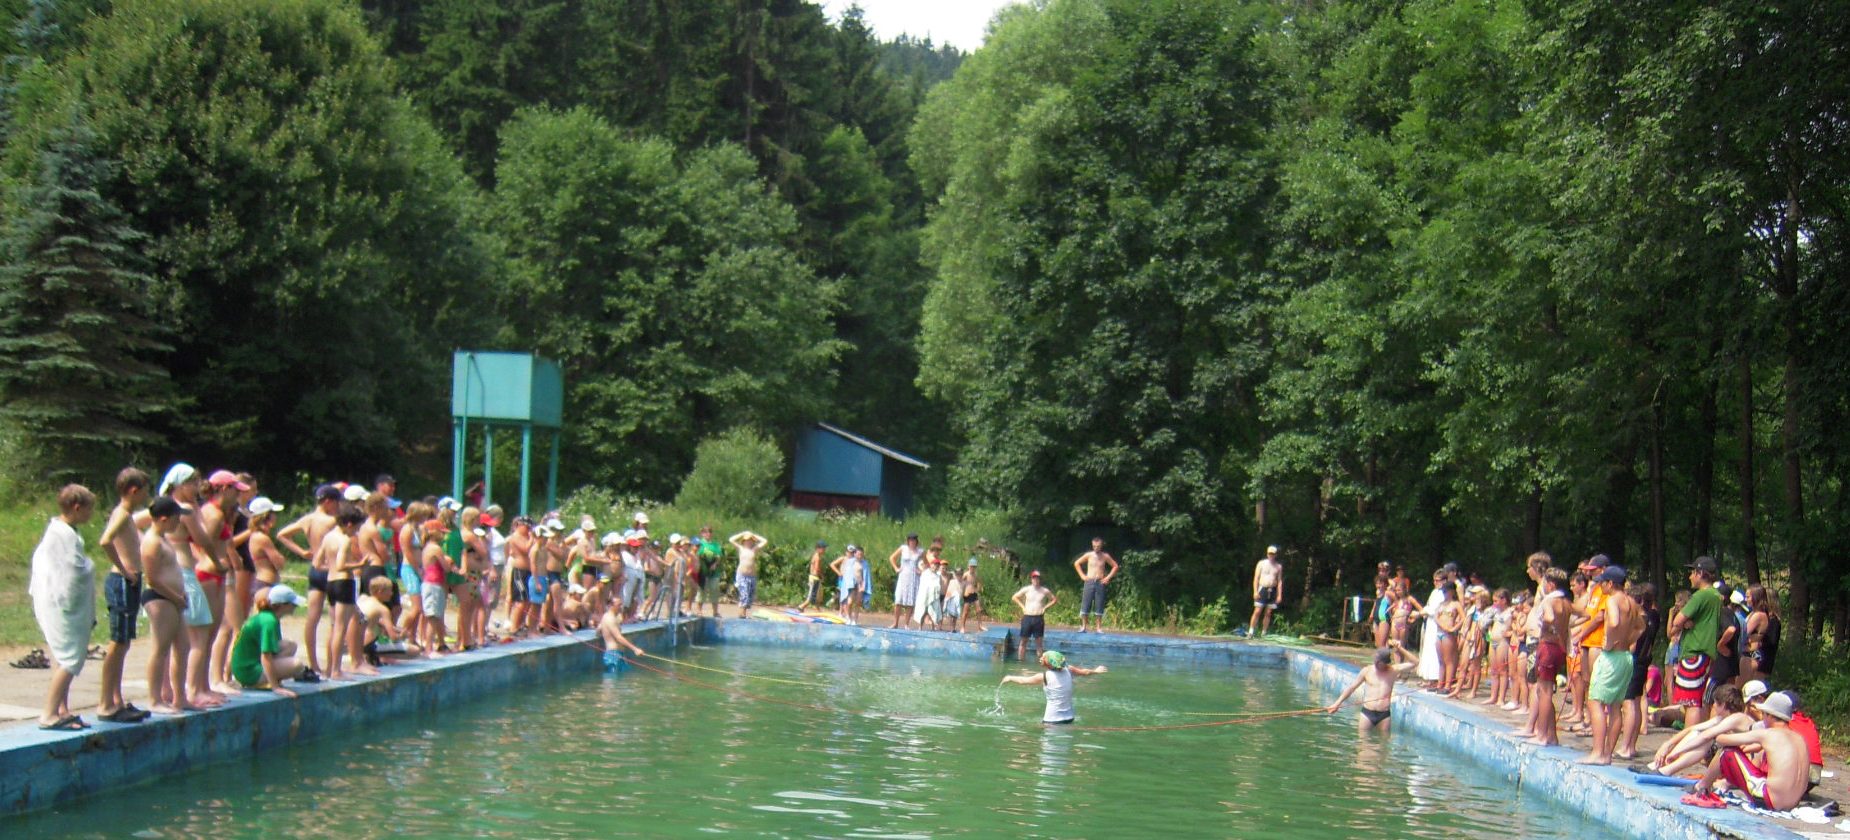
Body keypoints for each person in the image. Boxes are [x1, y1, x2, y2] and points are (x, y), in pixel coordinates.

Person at [29, 484, 98, 730]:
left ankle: (62, 709)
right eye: (89, 508)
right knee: (70, 658)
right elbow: (73, 572)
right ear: (77, 508)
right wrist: (90, 566)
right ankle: (48, 715)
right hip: (60, 606)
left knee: (63, 658)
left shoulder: (64, 531)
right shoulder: (62, 535)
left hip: (59, 602)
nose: (92, 513)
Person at [97, 468, 152, 723]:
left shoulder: (128, 515)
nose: (146, 497)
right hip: (121, 581)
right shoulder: (121, 514)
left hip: (129, 581)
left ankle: (116, 700)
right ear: (133, 490)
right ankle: (105, 704)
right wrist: (123, 569)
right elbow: (105, 541)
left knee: (125, 643)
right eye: (144, 491)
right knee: (118, 642)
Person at [1692, 692, 1810, 811]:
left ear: (1770, 715)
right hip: (1792, 804)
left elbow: (1721, 739)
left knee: (1726, 751)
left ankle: (1702, 787)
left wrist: (1727, 731)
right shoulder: (1800, 739)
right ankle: (1714, 784)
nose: (1762, 719)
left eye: (1763, 714)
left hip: (1770, 801)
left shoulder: (1768, 734)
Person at [275, 483, 341, 677]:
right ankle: (331, 666)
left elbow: (281, 535)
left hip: (314, 569)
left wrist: (302, 552)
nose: (338, 506)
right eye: (336, 502)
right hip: (330, 569)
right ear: (328, 502)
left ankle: (314, 664)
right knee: (335, 621)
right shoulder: (332, 521)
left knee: (312, 618)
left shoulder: (308, 519)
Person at [1580, 565, 1643, 765]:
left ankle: (1598, 752)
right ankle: (1607, 754)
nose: (1601, 587)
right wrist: (1628, 640)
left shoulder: (1612, 600)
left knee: (1595, 702)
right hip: (1625, 656)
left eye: (1602, 583)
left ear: (1610, 583)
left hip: (1612, 656)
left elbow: (1614, 622)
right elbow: (1641, 626)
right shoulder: (1631, 602)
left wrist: (1608, 640)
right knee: (1615, 705)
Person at [1513, 568, 1570, 746]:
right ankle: (1551, 735)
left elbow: (1550, 617)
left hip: (1547, 646)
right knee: (1545, 691)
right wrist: (1564, 632)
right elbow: (1585, 615)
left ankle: (1542, 735)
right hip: (1558, 648)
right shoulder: (1566, 602)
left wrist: (1546, 629)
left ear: (1550, 584)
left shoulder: (1549, 601)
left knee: (1543, 692)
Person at [1672, 556, 1724, 728]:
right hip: (1706, 653)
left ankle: (1688, 739)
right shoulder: (1716, 596)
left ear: (1701, 573)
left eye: (1693, 572)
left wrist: (1684, 622)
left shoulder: (1700, 596)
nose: (1690, 576)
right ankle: (1698, 737)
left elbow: (1677, 621)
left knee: (1691, 702)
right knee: (1699, 700)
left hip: (1694, 652)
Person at [230, 584, 305, 697]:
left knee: (291, 646)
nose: (295, 606)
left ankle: (268, 677)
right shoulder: (269, 622)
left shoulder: (270, 616)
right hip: (249, 673)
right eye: (293, 604)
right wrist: (276, 687)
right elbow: (266, 656)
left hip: (249, 665)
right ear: (283, 605)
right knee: (297, 665)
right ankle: (262, 681)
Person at [1327, 640, 1417, 732]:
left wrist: (1400, 648)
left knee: (1383, 741)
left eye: (1380, 662)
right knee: (1363, 739)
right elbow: (1351, 688)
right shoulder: (1367, 671)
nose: (1377, 663)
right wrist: (1337, 704)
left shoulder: (1393, 670)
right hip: (1367, 713)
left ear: (1386, 663)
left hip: (1384, 714)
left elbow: (1415, 662)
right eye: (1376, 661)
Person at [1001, 650, 1106, 724]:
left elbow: (1024, 681)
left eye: (1044, 657)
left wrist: (1010, 678)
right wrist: (1096, 671)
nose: (1041, 658)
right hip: (1070, 718)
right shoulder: (1069, 669)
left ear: (1049, 663)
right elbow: (1085, 672)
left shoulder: (1044, 676)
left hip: (1052, 720)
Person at [1618, 582, 1661, 760]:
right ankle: (1632, 746)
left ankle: (1626, 747)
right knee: (1635, 703)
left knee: (1629, 705)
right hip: (1644, 663)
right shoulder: (1653, 616)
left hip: (1634, 663)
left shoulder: (1638, 620)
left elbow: (1632, 647)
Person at [1012, 570, 1056, 662]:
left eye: (1037, 578)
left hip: (1038, 618)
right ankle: (1021, 662)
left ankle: (1040, 663)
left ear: (1039, 579)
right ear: (1031, 579)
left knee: (1039, 643)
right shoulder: (1026, 589)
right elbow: (1014, 597)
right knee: (1023, 641)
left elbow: (1054, 599)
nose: (1036, 579)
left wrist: (1045, 607)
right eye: (1034, 578)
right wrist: (1022, 607)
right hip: (1027, 617)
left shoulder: (1044, 590)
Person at [1742, 584, 1782, 684]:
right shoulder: (1756, 614)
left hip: (1763, 658)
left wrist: (1757, 639)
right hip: (1754, 655)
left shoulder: (1773, 620)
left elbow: (1771, 641)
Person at [597, 598, 645, 671]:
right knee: (613, 677)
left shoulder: (609, 617)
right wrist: (635, 649)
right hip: (613, 655)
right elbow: (618, 637)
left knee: (626, 674)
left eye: (621, 604)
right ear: (611, 606)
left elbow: (598, 631)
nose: (621, 607)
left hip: (618, 654)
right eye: (619, 605)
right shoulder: (610, 618)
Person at [889, 533, 924, 628]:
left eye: (914, 540)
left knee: (910, 602)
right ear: (908, 541)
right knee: (898, 601)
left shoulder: (920, 551)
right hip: (903, 576)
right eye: (910, 540)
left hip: (914, 578)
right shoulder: (903, 548)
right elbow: (892, 558)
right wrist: (896, 568)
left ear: (916, 541)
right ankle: (895, 623)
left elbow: (927, 563)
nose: (912, 542)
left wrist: (921, 570)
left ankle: (906, 624)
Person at [729, 530, 766, 617]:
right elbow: (731, 539)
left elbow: (764, 541)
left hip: (751, 576)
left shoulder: (754, 549)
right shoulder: (741, 549)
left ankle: (744, 614)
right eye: (747, 540)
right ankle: (741, 614)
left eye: (750, 540)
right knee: (744, 594)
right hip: (742, 575)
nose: (749, 542)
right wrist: (742, 533)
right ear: (743, 541)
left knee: (749, 595)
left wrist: (753, 535)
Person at [1248, 545, 1282, 637]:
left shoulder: (1278, 567)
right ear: (1267, 554)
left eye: (1273, 554)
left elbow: (1279, 581)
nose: (1271, 555)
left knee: (1268, 613)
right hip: (1262, 589)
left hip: (1272, 590)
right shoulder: (1261, 564)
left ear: (1275, 555)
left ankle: (1264, 632)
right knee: (1257, 611)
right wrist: (1255, 591)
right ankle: (1251, 631)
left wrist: (1279, 595)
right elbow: (1256, 578)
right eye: (1270, 554)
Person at [915, 547, 945, 630]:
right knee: (923, 611)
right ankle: (920, 627)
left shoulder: (938, 575)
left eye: (937, 565)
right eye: (934, 565)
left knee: (933, 612)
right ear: (931, 565)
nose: (935, 566)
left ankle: (933, 628)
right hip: (924, 596)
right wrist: (924, 554)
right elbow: (923, 561)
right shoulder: (925, 571)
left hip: (934, 597)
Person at [799, 541, 827, 610]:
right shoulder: (817, 557)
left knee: (818, 595)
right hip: (815, 578)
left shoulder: (816, 555)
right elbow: (817, 568)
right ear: (818, 548)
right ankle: (801, 606)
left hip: (814, 578)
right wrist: (821, 575)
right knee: (812, 596)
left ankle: (817, 609)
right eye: (823, 548)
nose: (824, 550)